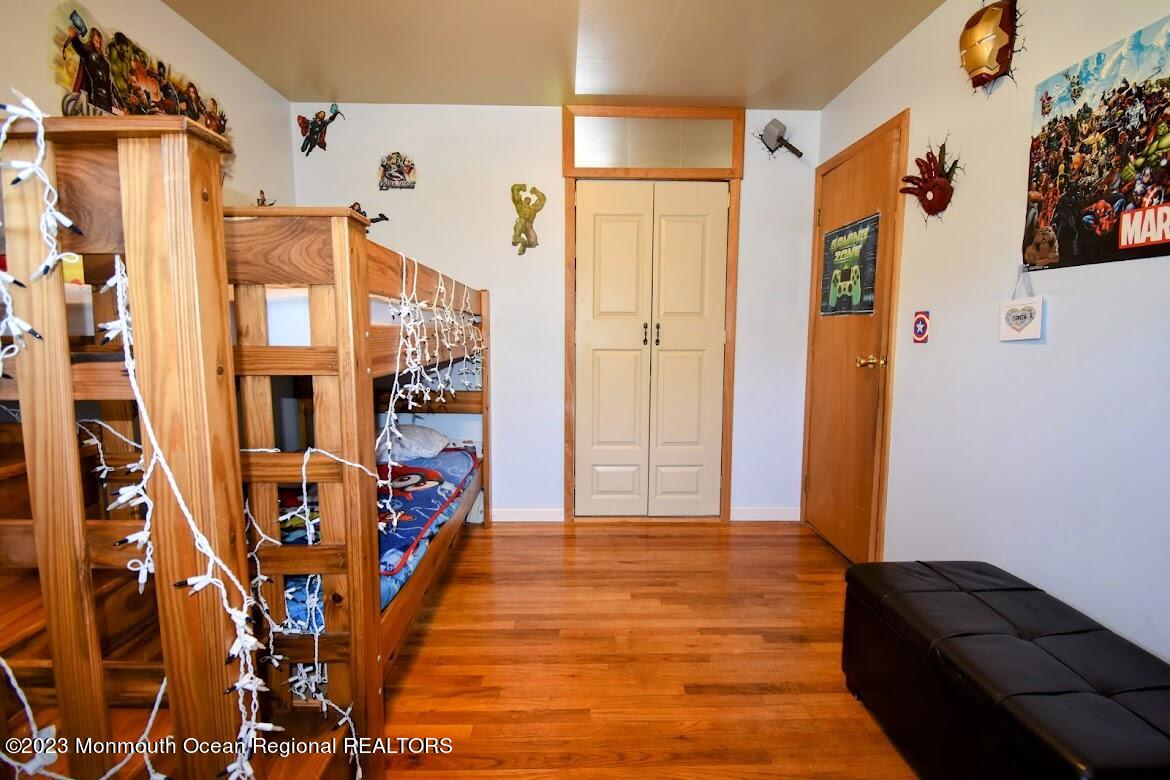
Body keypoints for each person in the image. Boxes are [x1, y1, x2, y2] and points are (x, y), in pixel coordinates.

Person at [65, 26, 122, 113]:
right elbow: (80, 48)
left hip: (107, 103)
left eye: (100, 42)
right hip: (96, 101)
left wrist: (120, 103)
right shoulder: (89, 55)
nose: (99, 45)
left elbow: (111, 85)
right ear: (92, 40)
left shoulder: (105, 62)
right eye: (96, 41)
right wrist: (74, 37)